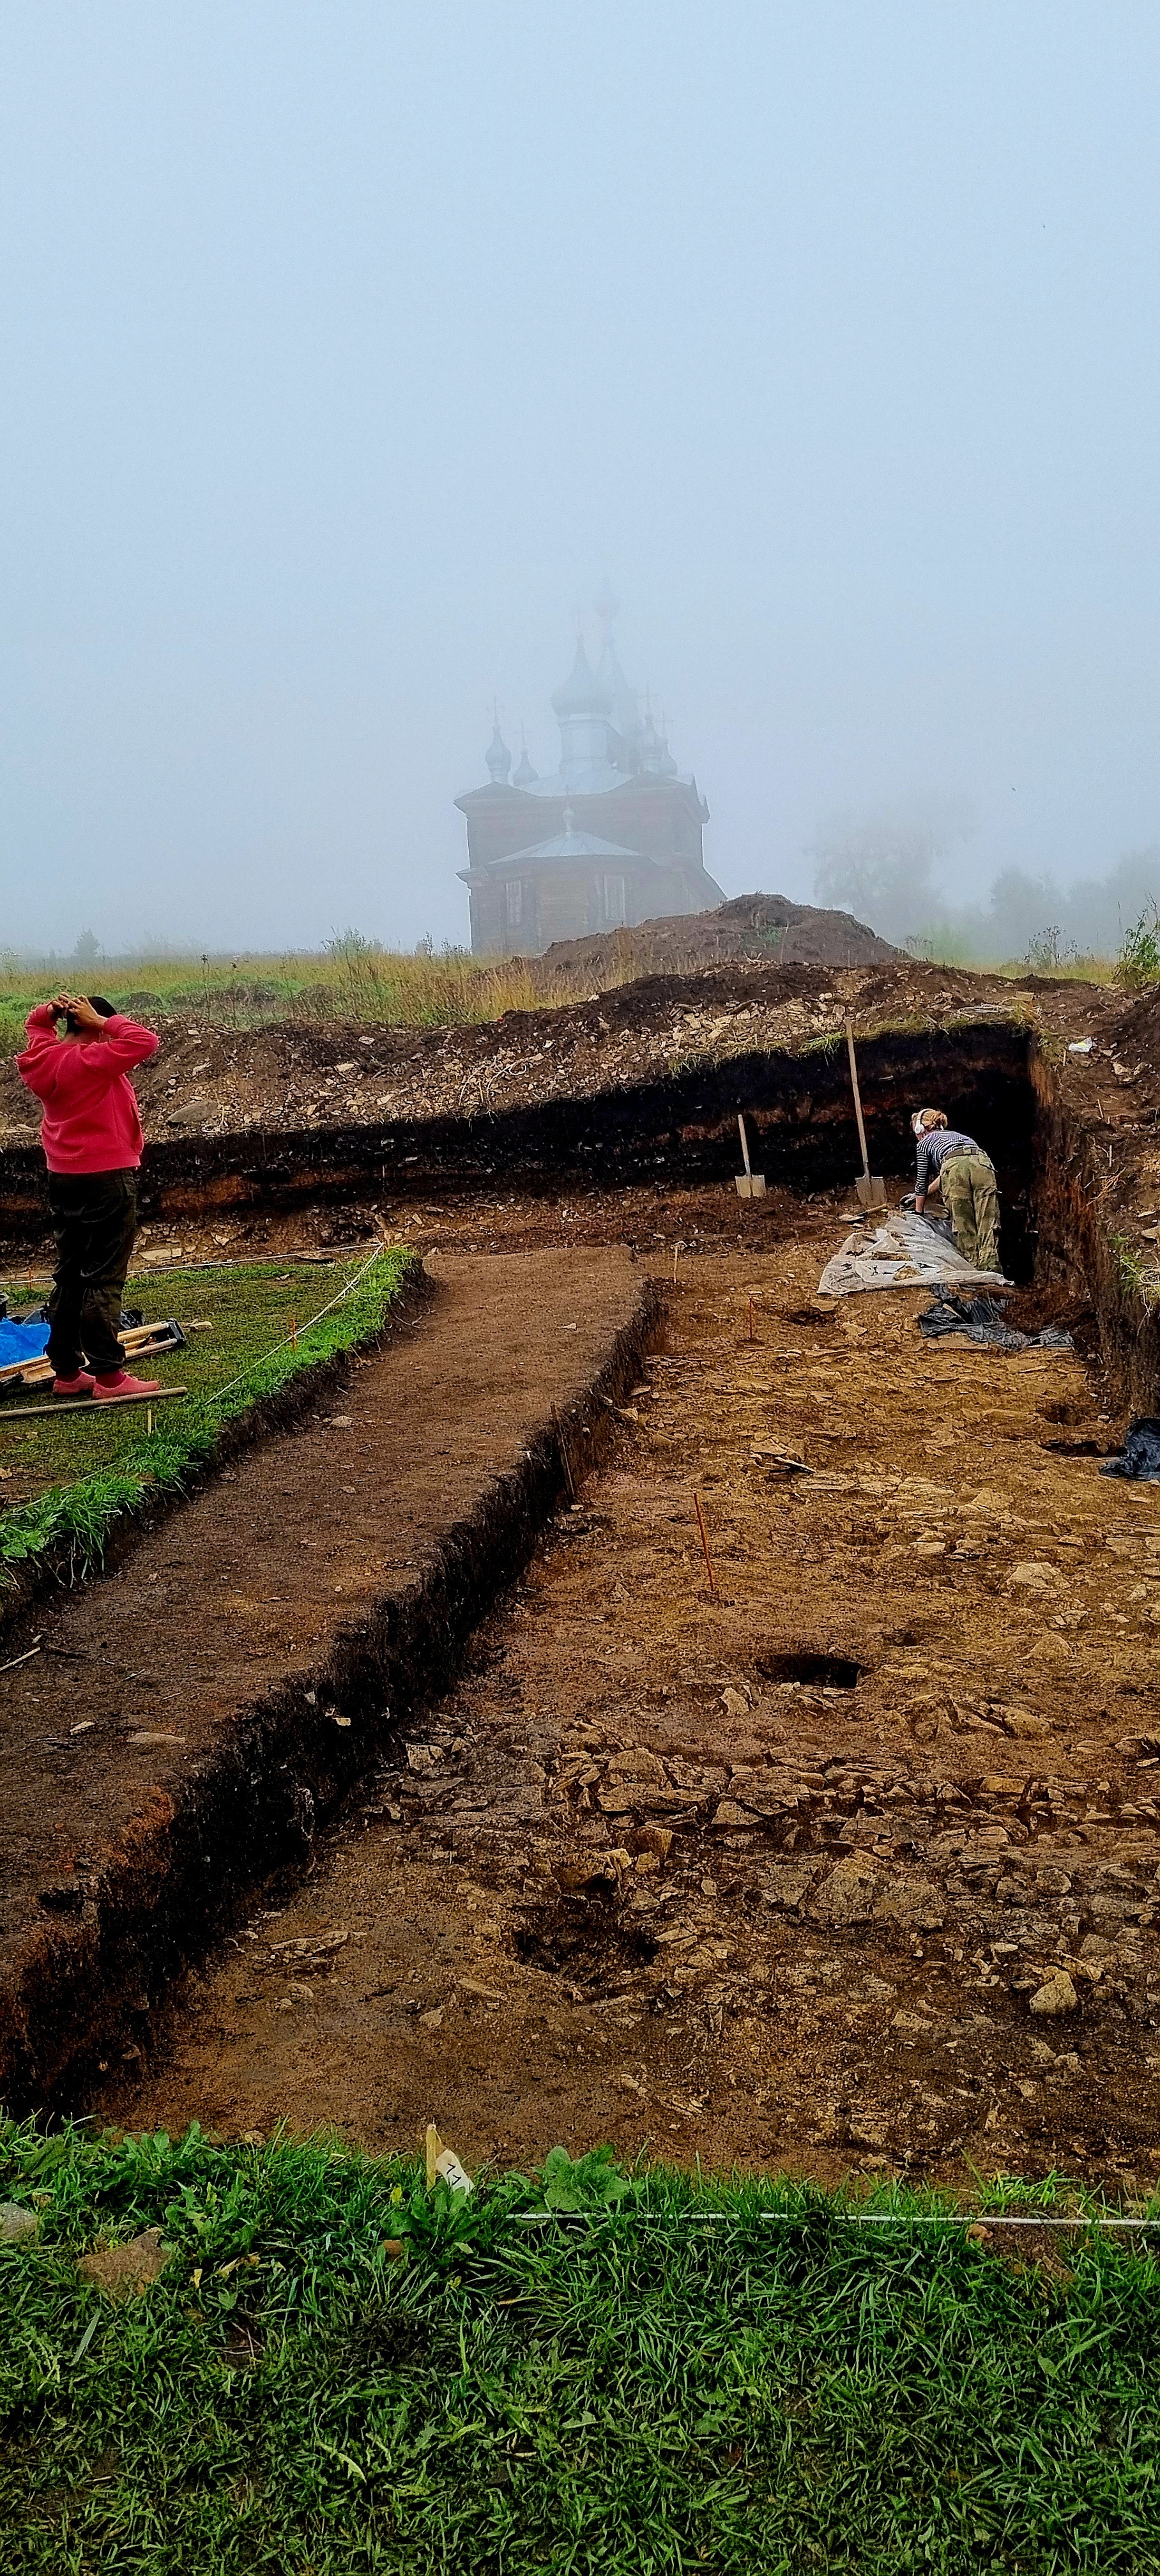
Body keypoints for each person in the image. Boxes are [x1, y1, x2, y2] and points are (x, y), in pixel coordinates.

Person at [15, 992, 164, 1400]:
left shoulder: (44, 1059)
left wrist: (48, 1012)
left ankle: (66, 1371)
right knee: (104, 1275)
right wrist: (104, 1023)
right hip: (106, 1177)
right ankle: (109, 1376)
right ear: (93, 1026)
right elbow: (144, 1042)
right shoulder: (91, 1060)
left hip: (63, 1176)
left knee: (70, 1272)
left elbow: (35, 1027)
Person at [909, 1107, 1000, 1272]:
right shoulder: (960, 1137)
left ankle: (974, 1273)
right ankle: (992, 1271)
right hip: (982, 1163)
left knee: (964, 1224)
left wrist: (918, 1211)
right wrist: (918, 1195)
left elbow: (922, 1182)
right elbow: (949, 1171)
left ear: (920, 1129)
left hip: (954, 1169)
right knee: (987, 1223)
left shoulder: (924, 1143)